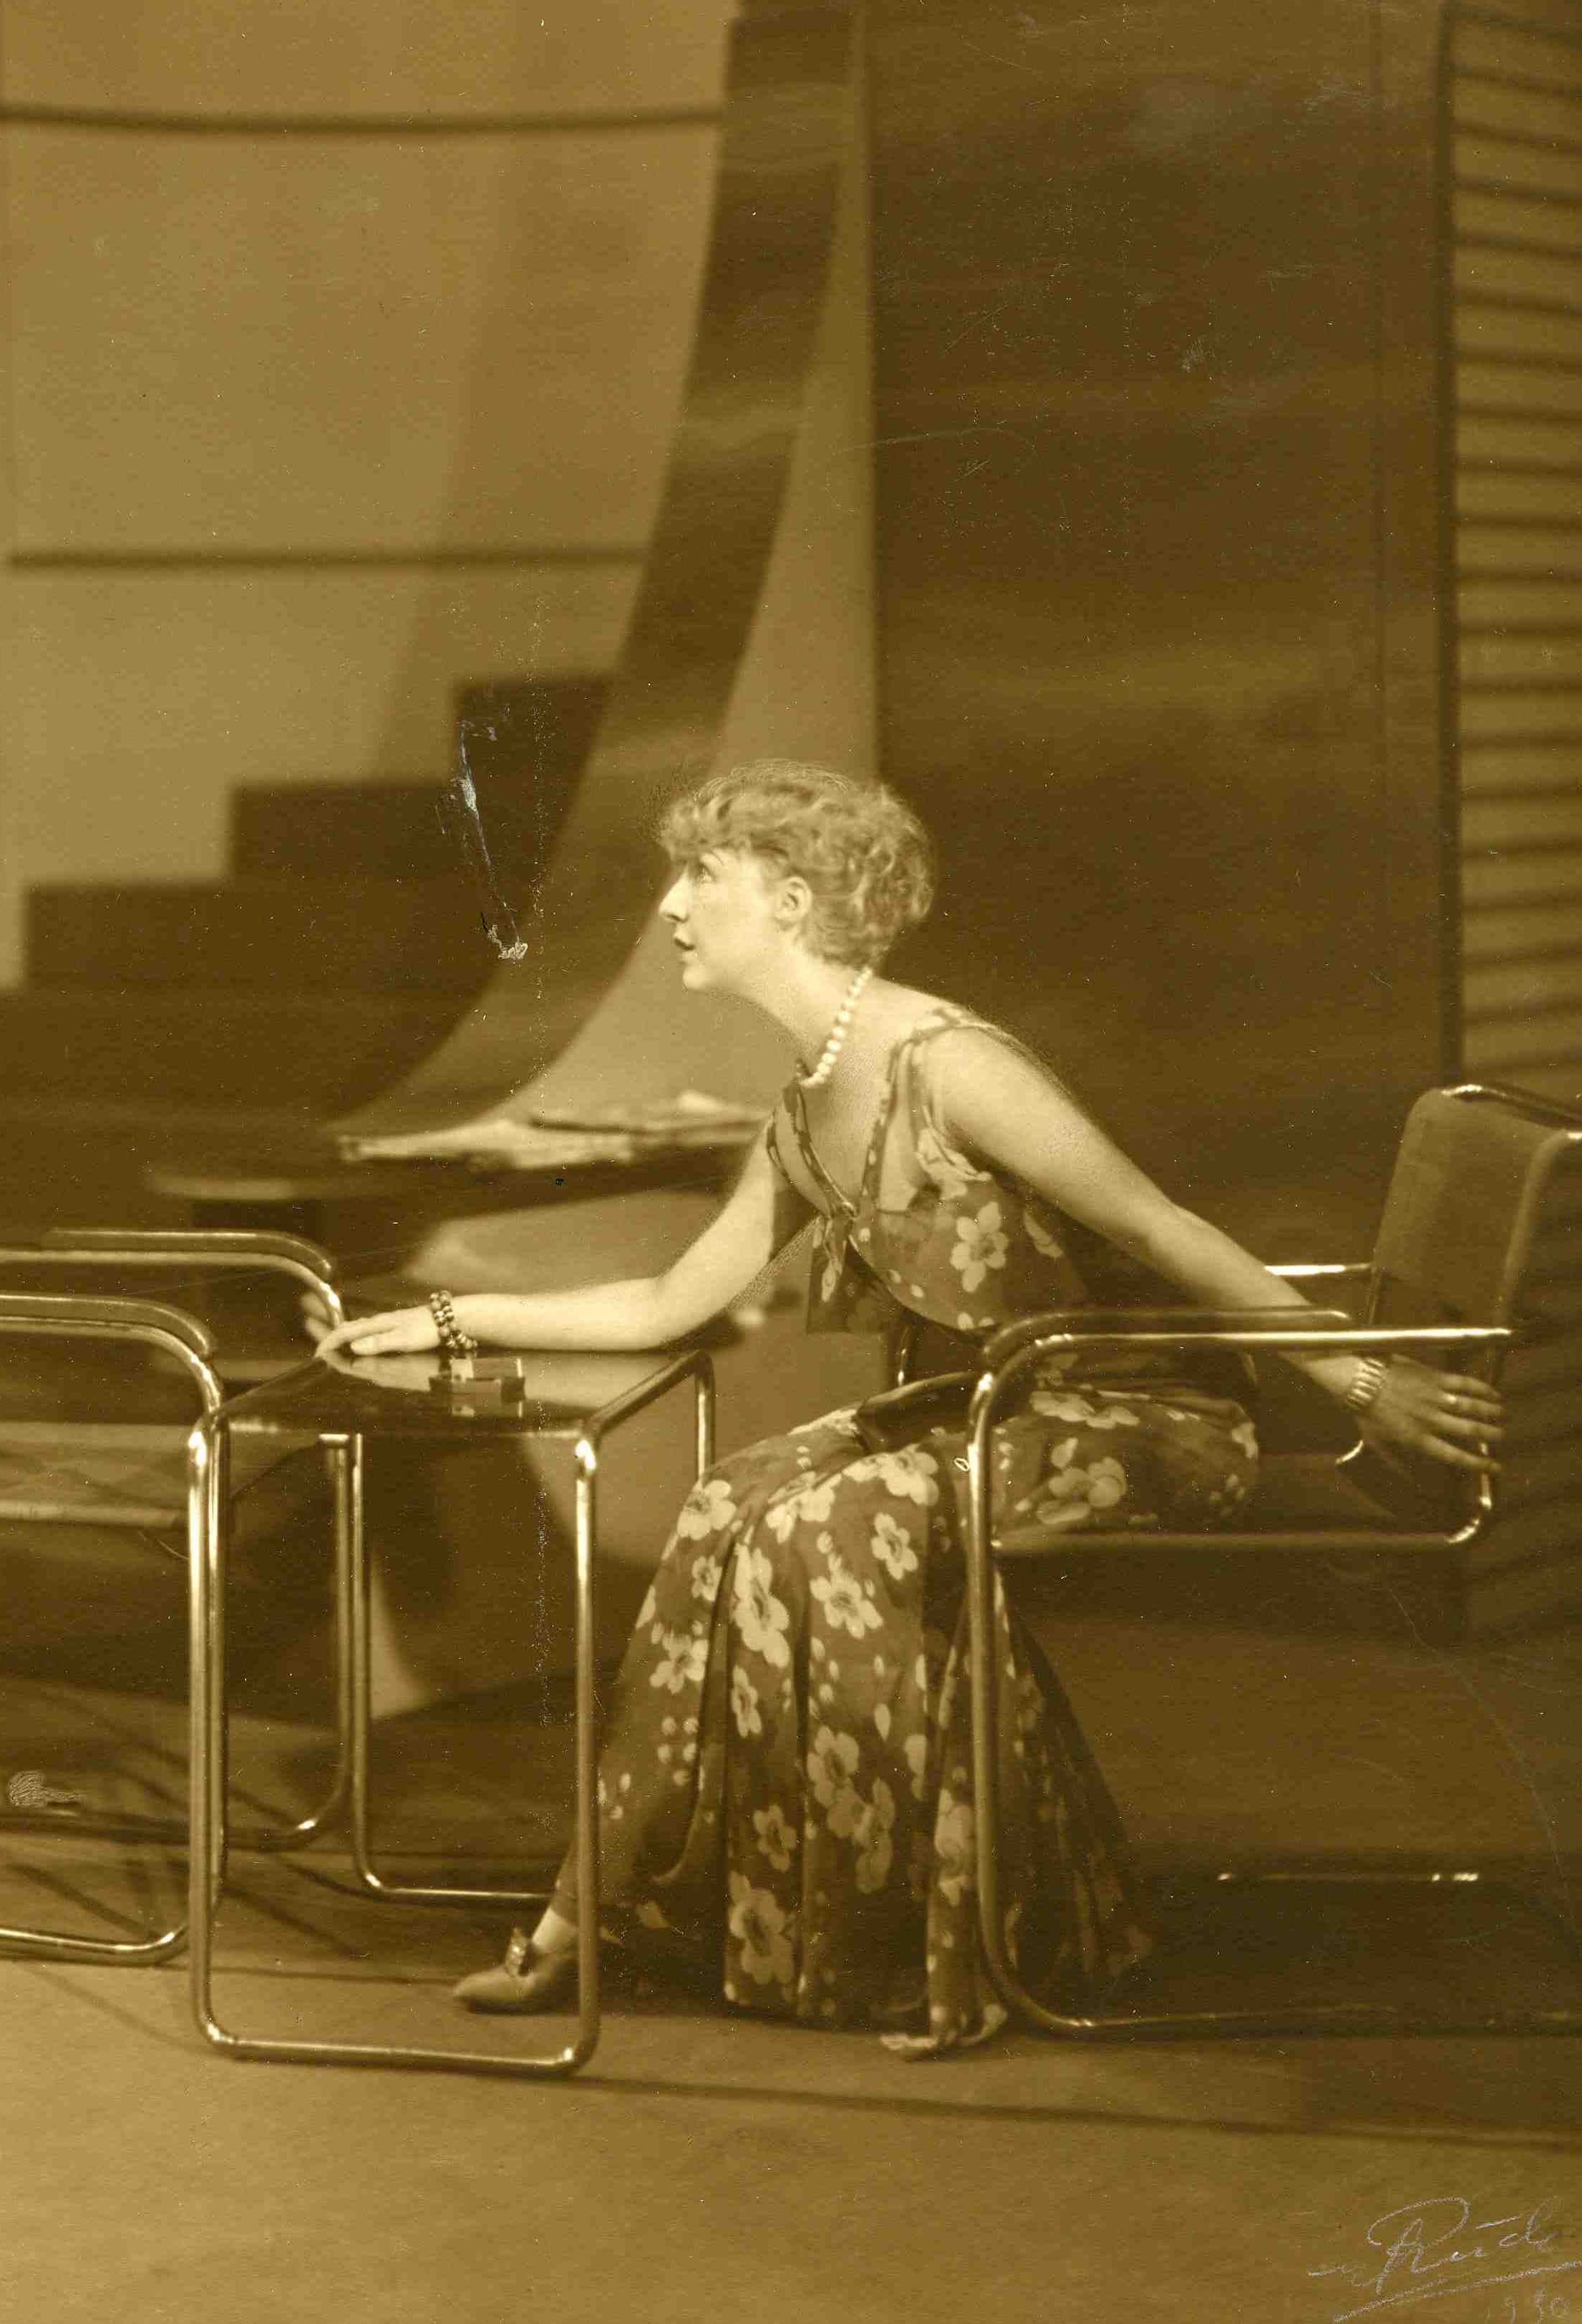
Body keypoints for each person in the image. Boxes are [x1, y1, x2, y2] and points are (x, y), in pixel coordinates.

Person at [319, 762, 1502, 2051]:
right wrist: (452, 1316)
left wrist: (1361, 1379)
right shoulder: (805, 1104)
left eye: (699, 875)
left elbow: (1162, 1228)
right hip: (994, 1408)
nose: (670, 906)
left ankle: (947, 1950)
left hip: (1137, 1415)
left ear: (789, 899)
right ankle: (573, 1922)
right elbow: (669, 1299)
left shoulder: (952, 1064)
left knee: (831, 1528)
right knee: (725, 1504)